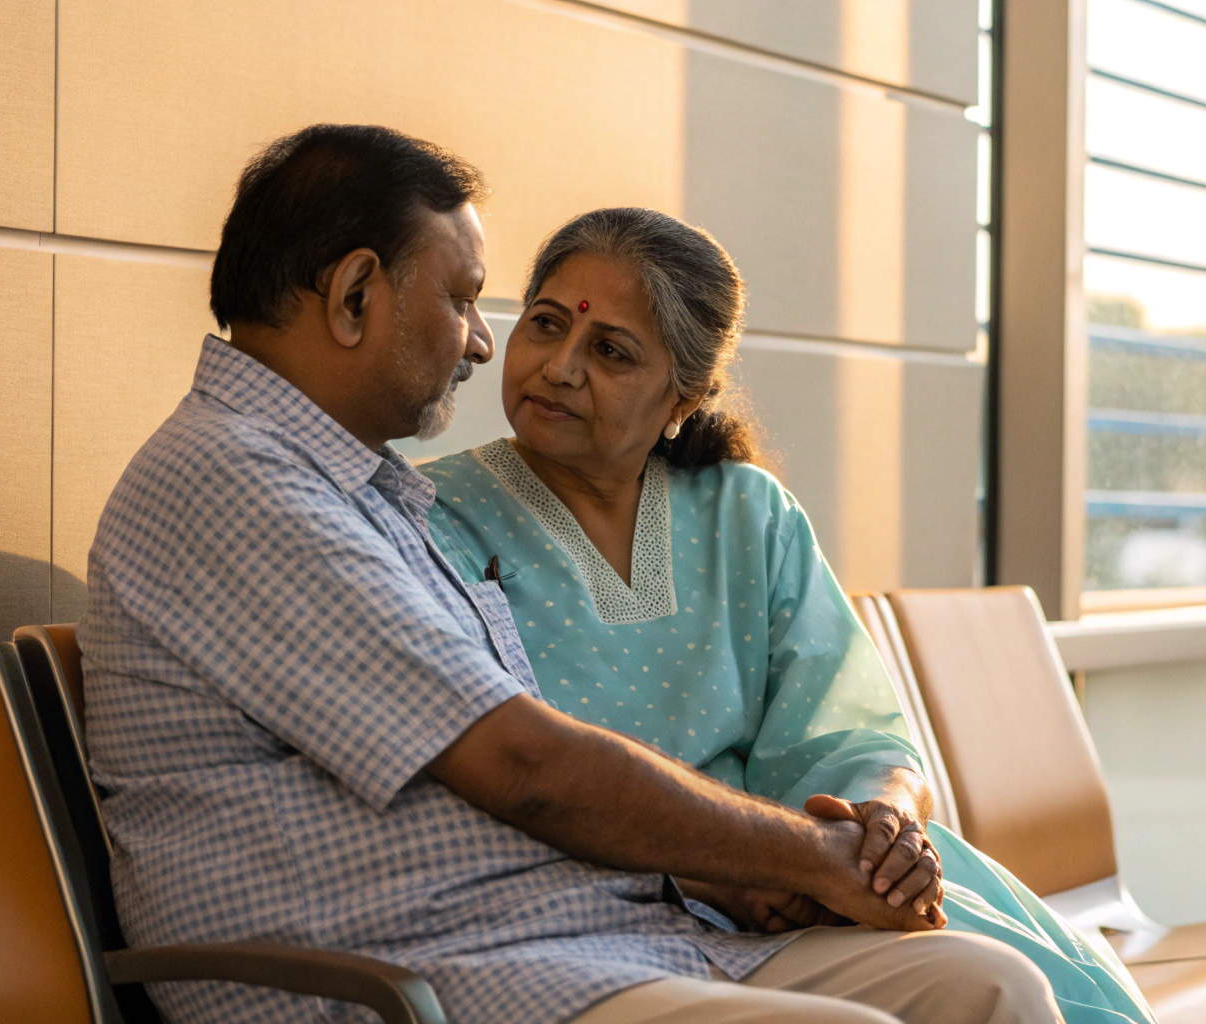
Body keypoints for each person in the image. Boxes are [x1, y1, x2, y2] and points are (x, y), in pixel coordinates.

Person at [81, 124, 1064, 1024]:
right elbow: (528, 767)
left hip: (583, 931)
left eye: (606, 349)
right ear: (354, 297)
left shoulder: (355, 490)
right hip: (412, 973)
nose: (481, 341)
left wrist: (740, 875)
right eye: (467, 300)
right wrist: (810, 856)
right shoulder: (236, 486)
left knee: (988, 988)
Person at [419, 207, 1156, 1024]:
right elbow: (493, 777)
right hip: (592, 920)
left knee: (1001, 982)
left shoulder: (745, 510)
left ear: (684, 396)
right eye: (545, 325)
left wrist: (877, 829)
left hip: (806, 903)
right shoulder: (431, 513)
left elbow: (854, 733)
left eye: (610, 351)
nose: (558, 367)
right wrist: (737, 873)